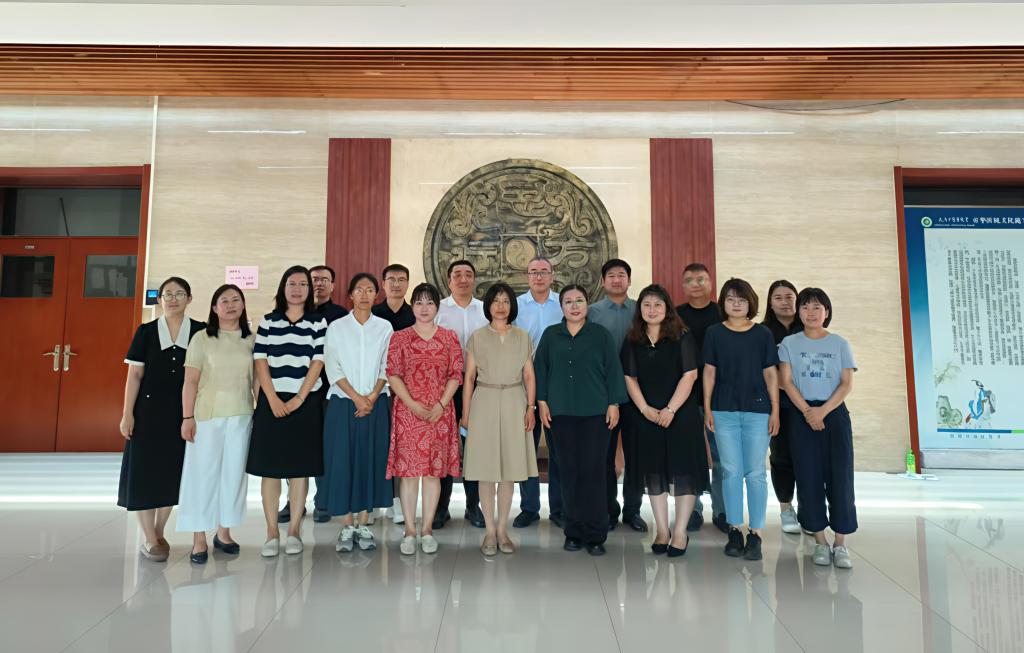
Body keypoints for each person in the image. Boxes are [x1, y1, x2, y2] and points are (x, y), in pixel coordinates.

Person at [536, 284, 627, 557]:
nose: (574, 306)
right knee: (568, 472)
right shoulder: (551, 335)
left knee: (594, 472)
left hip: (596, 413)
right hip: (560, 413)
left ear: (587, 305)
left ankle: (596, 534)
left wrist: (614, 403)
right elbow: (541, 369)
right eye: (568, 302)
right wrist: (541, 401)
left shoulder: (600, 335)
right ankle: (573, 532)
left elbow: (613, 370)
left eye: (579, 301)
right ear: (561, 307)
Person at [119, 277, 206, 562]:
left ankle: (159, 531)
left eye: (179, 294)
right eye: (167, 294)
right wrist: (127, 414)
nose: (173, 299)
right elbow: (135, 375)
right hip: (147, 413)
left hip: (183, 414)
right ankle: (149, 538)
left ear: (189, 299)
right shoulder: (145, 332)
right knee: (144, 473)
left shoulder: (201, 331)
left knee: (171, 472)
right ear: (159, 299)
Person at [622, 284, 708, 557]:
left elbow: (690, 375)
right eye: (646, 305)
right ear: (640, 309)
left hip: (680, 414)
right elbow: (629, 378)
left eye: (657, 305)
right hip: (646, 415)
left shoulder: (682, 335)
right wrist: (645, 409)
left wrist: (670, 410)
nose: (652, 310)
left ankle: (680, 531)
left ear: (667, 308)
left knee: (684, 473)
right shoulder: (633, 339)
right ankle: (661, 530)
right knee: (654, 473)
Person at [249, 266, 327, 557]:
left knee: (299, 469)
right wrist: (271, 398)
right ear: (283, 288)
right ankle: (271, 532)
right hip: (271, 401)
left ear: (310, 290)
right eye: (292, 283)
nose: (297, 289)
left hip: (305, 402)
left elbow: (318, 361)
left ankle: (294, 529)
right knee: (269, 470)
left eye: (303, 284)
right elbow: (260, 360)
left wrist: (299, 398)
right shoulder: (269, 321)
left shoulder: (318, 322)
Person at [778, 288, 857, 569]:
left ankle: (840, 544)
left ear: (827, 312)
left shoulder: (840, 343)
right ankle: (821, 542)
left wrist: (822, 411)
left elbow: (846, 384)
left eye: (817, 307)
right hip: (802, 414)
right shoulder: (789, 343)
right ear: (798, 311)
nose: (811, 313)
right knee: (808, 476)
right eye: (805, 307)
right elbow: (786, 382)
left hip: (834, 413)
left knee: (840, 477)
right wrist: (808, 412)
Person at [702, 278, 780, 561]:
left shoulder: (762, 334)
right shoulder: (714, 333)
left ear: (751, 304)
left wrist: (775, 410)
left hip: (758, 410)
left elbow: (771, 373)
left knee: (756, 472)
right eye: (731, 299)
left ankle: (755, 533)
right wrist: (708, 408)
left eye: (742, 300)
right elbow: (709, 372)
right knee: (731, 471)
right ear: (723, 303)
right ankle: (734, 529)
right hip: (723, 410)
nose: (736, 304)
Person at [178, 284, 256, 564]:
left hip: (241, 415)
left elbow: (257, 381)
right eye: (225, 300)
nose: (231, 305)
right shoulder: (202, 338)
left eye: (236, 300)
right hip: (207, 417)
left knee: (233, 476)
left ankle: (224, 533)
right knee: (203, 475)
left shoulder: (252, 339)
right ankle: (199, 538)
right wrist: (187, 417)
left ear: (243, 305)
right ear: (214, 307)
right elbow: (190, 381)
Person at [387, 282, 464, 555]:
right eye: (418, 302)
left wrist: (441, 404)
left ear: (437, 307)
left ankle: (428, 529)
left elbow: (456, 374)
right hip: (408, 413)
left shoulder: (449, 337)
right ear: (412, 307)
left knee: (433, 474)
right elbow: (393, 374)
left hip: (439, 413)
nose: (424, 308)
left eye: (429, 302)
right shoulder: (400, 338)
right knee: (409, 475)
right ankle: (410, 530)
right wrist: (412, 404)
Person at [462, 282, 537, 555]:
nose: (501, 306)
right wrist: (466, 414)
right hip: (484, 400)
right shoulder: (477, 337)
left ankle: (503, 530)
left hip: (515, 401)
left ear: (512, 306)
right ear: (488, 305)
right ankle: (490, 532)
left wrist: (530, 407)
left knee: (509, 472)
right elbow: (469, 378)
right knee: (486, 471)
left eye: (506, 301)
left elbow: (529, 376)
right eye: (496, 301)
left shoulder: (522, 336)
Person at [321, 273, 394, 553]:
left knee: (369, 461)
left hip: (375, 404)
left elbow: (387, 365)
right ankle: (346, 525)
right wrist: (356, 397)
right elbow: (332, 366)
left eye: (370, 290)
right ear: (350, 294)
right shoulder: (337, 327)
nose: (364, 295)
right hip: (343, 403)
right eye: (359, 290)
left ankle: (363, 523)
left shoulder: (384, 327)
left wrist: (371, 397)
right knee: (343, 463)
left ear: (377, 294)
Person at [279, 264, 348, 524]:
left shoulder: (341, 315)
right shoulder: (295, 313)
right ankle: (292, 501)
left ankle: (323, 500)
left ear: (333, 285)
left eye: (324, 280)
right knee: (296, 446)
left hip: (329, 391)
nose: (319, 284)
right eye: (314, 279)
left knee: (325, 446)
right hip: (296, 391)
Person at [588, 258, 647, 533]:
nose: (616, 279)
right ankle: (608, 509)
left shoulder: (641, 309)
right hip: (603, 394)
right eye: (611, 275)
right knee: (605, 456)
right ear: (603, 281)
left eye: (621, 275)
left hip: (638, 394)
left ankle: (633, 510)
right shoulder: (592, 312)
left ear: (629, 280)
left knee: (636, 455)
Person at [434, 260, 488, 529]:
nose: (463, 279)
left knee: (474, 448)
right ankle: (440, 507)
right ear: (449, 280)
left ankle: (473, 506)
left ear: (474, 279)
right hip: (445, 387)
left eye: (468, 274)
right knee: (444, 446)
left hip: (479, 386)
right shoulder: (438, 310)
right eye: (457, 275)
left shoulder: (485, 310)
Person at [512, 256, 564, 529]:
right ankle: (529, 507)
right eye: (534, 272)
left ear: (552, 275)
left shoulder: (563, 303)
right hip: (524, 383)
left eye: (544, 271)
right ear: (527, 276)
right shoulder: (516, 306)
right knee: (526, 448)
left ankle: (559, 508)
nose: (539, 276)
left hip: (558, 383)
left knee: (558, 449)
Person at [676, 262, 726, 533]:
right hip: (685, 396)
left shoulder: (723, 313)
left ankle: (722, 510)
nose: (695, 284)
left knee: (721, 457)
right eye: (689, 280)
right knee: (688, 456)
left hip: (719, 397)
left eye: (701, 279)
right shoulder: (675, 315)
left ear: (710, 282)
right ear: (682, 285)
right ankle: (692, 510)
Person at [372, 263, 415, 525]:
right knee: (379, 443)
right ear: (383, 283)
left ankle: (398, 501)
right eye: (391, 279)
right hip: (377, 389)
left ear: (408, 283)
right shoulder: (373, 313)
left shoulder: (415, 314)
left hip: (408, 392)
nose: (396, 284)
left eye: (401, 279)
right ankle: (374, 500)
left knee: (401, 446)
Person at [763, 280, 803, 534]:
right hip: (778, 404)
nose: (785, 302)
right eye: (778, 298)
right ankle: (786, 508)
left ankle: (809, 508)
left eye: (789, 296)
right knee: (781, 457)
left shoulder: (809, 328)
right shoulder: (763, 332)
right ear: (770, 303)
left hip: (809, 403)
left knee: (809, 458)